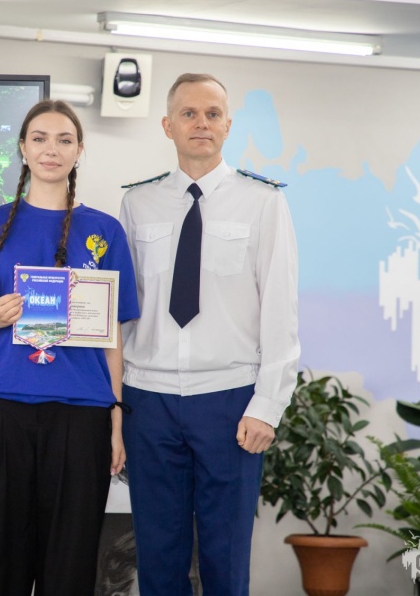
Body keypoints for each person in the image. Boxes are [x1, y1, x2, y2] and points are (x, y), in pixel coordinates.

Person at [119, 73, 300, 596]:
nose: (201, 123)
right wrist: (115, 405)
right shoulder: (137, 203)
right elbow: (121, 311)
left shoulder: (263, 201)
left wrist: (268, 405)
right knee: (158, 556)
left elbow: (281, 310)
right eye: (189, 114)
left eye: (213, 114)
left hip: (229, 400)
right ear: (167, 126)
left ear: (228, 125)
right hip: (148, 399)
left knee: (225, 557)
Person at [0, 99, 139, 595]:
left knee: (69, 568)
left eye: (64, 140)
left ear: (79, 150)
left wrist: (116, 421)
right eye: (39, 138)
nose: (50, 149)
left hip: (81, 417)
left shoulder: (104, 231)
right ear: (23, 148)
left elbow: (113, 337)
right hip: (1, 410)